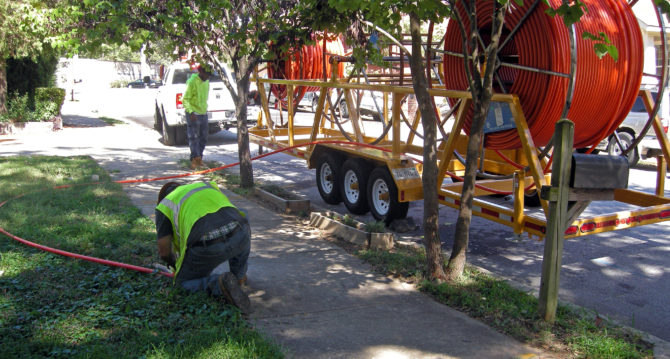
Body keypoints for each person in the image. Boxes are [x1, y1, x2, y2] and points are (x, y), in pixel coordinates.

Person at [155, 181, 251, 313]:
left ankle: (219, 283)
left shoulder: (165, 205)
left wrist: (177, 267)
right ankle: (239, 276)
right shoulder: (206, 186)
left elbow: (164, 252)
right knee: (241, 215)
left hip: (207, 246)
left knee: (182, 285)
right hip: (241, 233)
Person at [182, 65, 211, 170]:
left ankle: (198, 158)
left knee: (204, 137)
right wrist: (191, 112)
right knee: (194, 137)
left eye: (209, 75)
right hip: (193, 113)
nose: (208, 77)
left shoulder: (207, 82)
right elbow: (185, 99)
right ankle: (195, 160)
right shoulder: (192, 82)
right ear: (200, 72)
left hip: (203, 113)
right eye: (207, 74)